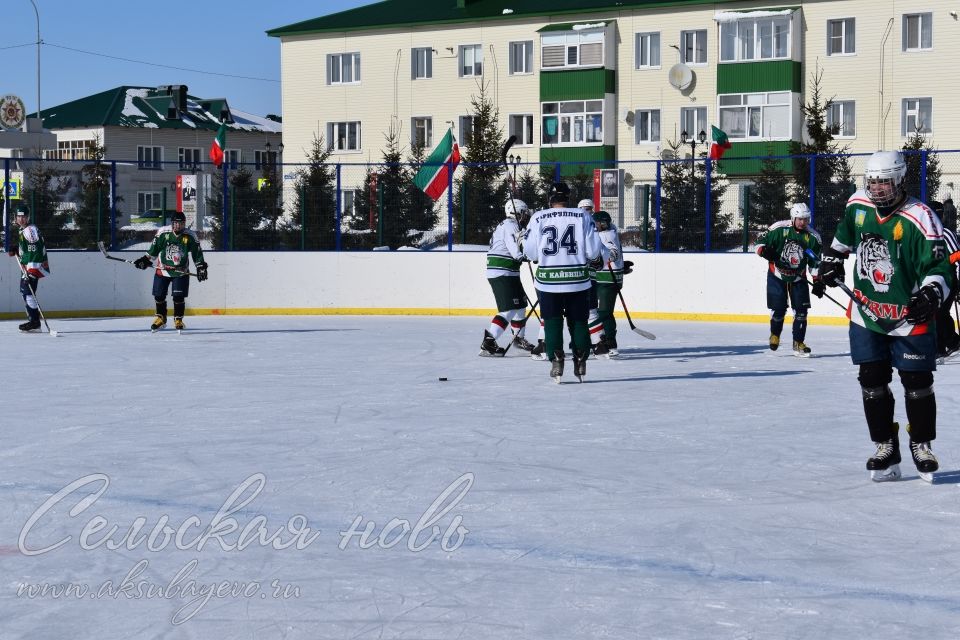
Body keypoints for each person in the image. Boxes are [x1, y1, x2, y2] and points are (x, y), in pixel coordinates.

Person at [819, 150, 952, 481]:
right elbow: (841, 241)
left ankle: (921, 444)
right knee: (872, 381)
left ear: (900, 180)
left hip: (909, 316)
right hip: (868, 314)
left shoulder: (921, 218)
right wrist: (830, 264)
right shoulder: (857, 206)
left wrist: (932, 292)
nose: (877, 190)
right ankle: (885, 446)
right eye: (873, 183)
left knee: (917, 383)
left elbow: (939, 268)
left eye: (885, 184)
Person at [522, 182, 607, 382]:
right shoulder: (583, 216)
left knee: (552, 322)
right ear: (568, 197)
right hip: (578, 279)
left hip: (548, 281)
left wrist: (521, 241)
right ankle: (580, 357)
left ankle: (556, 358)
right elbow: (594, 252)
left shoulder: (537, 218)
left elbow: (530, 253)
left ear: (549, 198)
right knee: (578, 322)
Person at [756, 202, 821, 357]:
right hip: (777, 275)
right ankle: (775, 335)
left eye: (806, 219)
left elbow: (814, 262)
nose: (803, 222)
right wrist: (764, 251)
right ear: (793, 218)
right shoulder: (779, 229)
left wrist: (817, 281)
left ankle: (798, 342)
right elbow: (759, 243)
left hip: (799, 277)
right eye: (800, 219)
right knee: (778, 309)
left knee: (801, 312)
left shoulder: (813, 237)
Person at [133, 211, 209, 331]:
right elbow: (154, 250)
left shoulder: (190, 236)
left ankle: (178, 319)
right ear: (172, 224)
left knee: (178, 297)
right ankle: (161, 318)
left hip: (181, 271)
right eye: (176, 223)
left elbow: (197, 254)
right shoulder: (163, 233)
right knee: (159, 295)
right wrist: (144, 260)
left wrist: (201, 267)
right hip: (163, 269)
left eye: (181, 224)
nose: (178, 226)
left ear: (184, 224)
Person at [479, 198, 534, 356]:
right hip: (502, 271)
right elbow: (513, 247)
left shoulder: (509, 225)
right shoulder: (510, 225)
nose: (525, 216)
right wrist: (522, 255)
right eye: (523, 213)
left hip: (509, 272)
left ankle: (518, 338)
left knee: (521, 306)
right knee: (508, 308)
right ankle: (489, 341)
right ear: (516, 212)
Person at [587, 210, 625, 357]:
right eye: (597, 223)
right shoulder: (606, 233)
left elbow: (613, 252)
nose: (598, 226)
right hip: (602, 277)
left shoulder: (607, 234)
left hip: (608, 279)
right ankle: (596, 341)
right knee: (594, 312)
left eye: (600, 223)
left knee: (603, 312)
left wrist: (609, 258)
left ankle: (610, 342)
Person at [7, 204, 50, 332]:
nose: (21, 219)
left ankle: (35, 323)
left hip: (34, 267)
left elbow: (35, 252)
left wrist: (31, 272)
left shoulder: (30, 230)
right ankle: (33, 321)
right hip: (27, 266)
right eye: (19, 216)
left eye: (24, 216)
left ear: (28, 217)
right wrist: (17, 249)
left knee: (28, 293)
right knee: (25, 293)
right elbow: (28, 249)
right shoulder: (24, 229)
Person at [934, 226, 960, 360]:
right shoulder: (922, 233)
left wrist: (944, 261)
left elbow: (958, 254)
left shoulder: (945, 233)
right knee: (937, 313)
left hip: (948, 279)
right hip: (931, 280)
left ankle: (941, 346)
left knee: (939, 313)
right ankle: (952, 341)